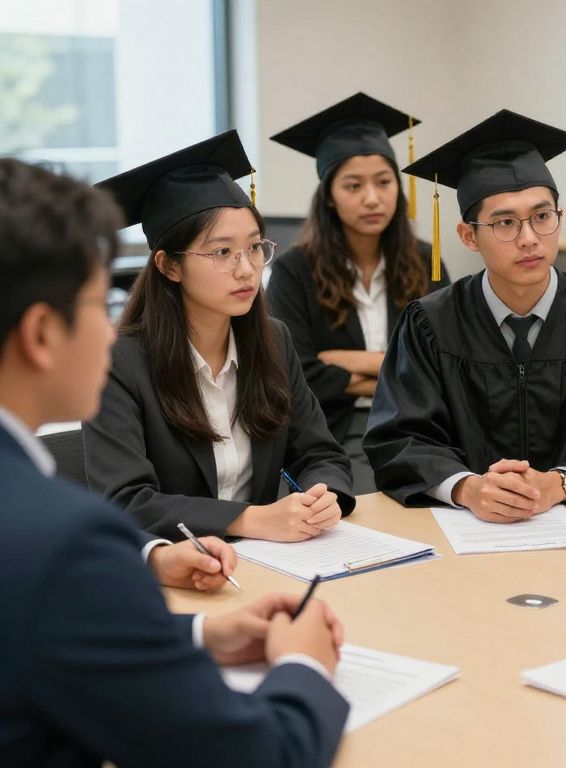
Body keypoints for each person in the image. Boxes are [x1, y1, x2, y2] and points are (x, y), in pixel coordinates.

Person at [0, 157, 348, 767]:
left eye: (254, 249)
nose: (109, 331)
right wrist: (303, 662)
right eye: (94, 304)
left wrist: (199, 634)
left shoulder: (272, 340)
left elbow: (47, 639)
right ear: (39, 333)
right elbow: (257, 755)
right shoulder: (67, 544)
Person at [364, 110, 566, 519]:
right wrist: (467, 489)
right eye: (505, 223)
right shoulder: (430, 323)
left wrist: (562, 481)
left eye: (543, 217)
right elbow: (398, 439)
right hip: (461, 528)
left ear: (559, 219)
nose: (529, 239)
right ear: (468, 236)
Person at [83, 131, 355, 542]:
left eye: (254, 248)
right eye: (222, 252)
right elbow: (127, 500)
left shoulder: (272, 341)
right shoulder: (118, 362)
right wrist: (248, 519)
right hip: (176, 568)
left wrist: (323, 494)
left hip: (271, 560)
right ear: (168, 266)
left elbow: (320, 453)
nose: (247, 269)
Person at [268, 93, 450, 494]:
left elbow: (445, 368)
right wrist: (399, 369)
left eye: (384, 182)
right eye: (353, 185)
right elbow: (298, 374)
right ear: (330, 196)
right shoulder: (293, 270)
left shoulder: (426, 262)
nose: (372, 197)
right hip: (332, 435)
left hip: (418, 431)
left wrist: (344, 362)